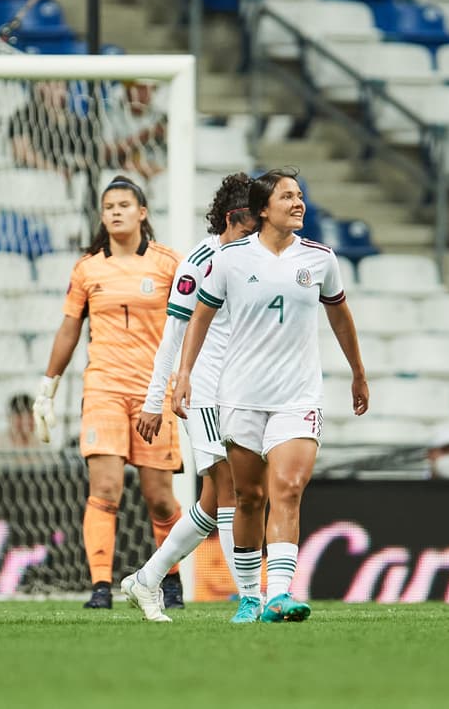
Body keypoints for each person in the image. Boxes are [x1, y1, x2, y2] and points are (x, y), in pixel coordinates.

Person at [171, 168, 369, 624]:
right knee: (249, 497)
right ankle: (248, 596)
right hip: (239, 395)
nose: (298, 203)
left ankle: (279, 594)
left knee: (289, 488)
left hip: (298, 396)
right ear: (263, 209)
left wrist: (358, 373)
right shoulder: (231, 259)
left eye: (300, 196)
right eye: (287, 197)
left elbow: (340, 317)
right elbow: (200, 317)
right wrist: (184, 374)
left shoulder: (320, 259)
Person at [32, 175, 184, 610]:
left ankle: (168, 579)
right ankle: (101, 586)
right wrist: (49, 384)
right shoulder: (87, 268)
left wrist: (189, 378)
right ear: (102, 216)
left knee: (158, 496)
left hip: (154, 392)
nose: (115, 211)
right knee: (106, 488)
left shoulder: (168, 264)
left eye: (124, 205)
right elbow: (69, 328)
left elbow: (194, 321)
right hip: (103, 388)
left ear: (142, 212)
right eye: (109, 206)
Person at [120, 173, 257, 623]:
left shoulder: (254, 259)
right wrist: (154, 400)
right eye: (250, 227)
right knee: (235, 490)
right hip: (204, 392)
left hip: (241, 392)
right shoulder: (199, 262)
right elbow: (171, 337)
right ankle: (253, 599)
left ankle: (146, 579)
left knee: (214, 500)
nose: (256, 236)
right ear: (233, 219)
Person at [7, 81, 97, 174]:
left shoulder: (75, 122)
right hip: (35, 179)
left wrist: (75, 165)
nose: (60, 89)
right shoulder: (25, 116)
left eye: (61, 84)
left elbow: (89, 156)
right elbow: (22, 153)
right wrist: (55, 169)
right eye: (51, 83)